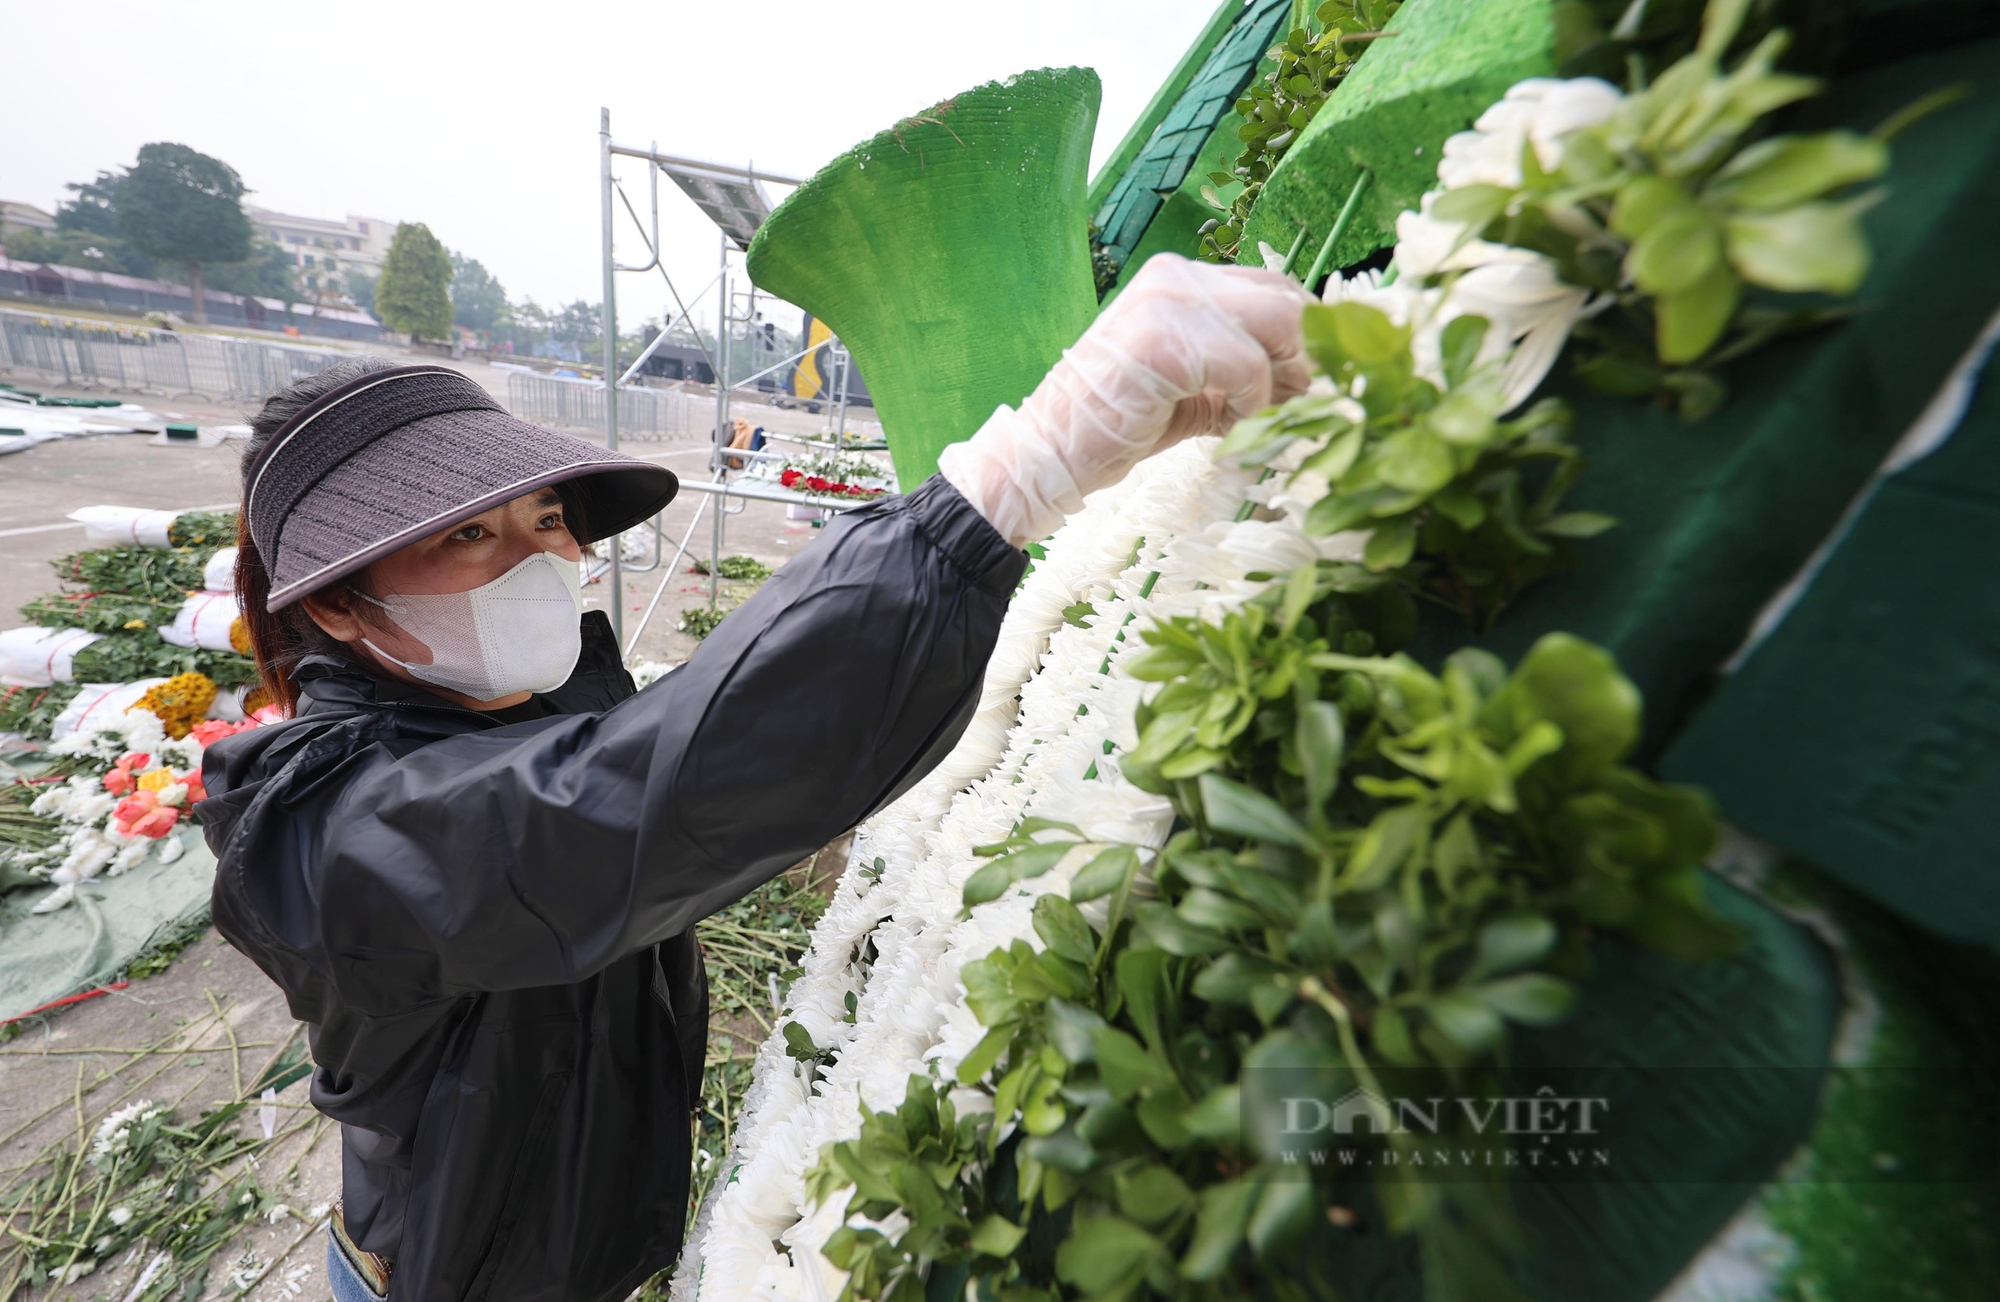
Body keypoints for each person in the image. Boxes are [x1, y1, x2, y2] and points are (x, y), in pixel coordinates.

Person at [199, 255, 1309, 1302]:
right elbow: (608, 808)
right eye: (468, 537)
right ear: (338, 603)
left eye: (545, 519)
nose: (538, 558)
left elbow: (691, 739)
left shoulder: (539, 705)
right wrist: (1009, 486)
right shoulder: (320, 833)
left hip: (580, 1243)